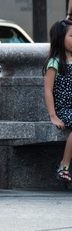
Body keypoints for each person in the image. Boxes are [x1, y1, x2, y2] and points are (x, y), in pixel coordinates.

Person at [44, 19, 72, 182]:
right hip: (64, 109)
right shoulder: (55, 62)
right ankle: (64, 165)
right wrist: (53, 115)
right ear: (60, 39)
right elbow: (48, 90)